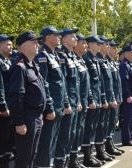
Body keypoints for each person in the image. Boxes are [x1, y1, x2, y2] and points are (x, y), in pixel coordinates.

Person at [8, 30, 45, 168]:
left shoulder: (33, 65)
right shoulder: (20, 67)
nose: (38, 45)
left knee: (31, 155)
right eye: (34, 42)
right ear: (24, 46)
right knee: (24, 158)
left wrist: (40, 115)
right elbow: (16, 96)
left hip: (36, 117)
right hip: (27, 118)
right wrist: (19, 122)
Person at [33, 26, 67, 168]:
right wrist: (50, 107)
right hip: (50, 108)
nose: (60, 37)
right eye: (56, 35)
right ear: (47, 37)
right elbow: (43, 83)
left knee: (53, 141)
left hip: (58, 106)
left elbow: (61, 82)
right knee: (46, 142)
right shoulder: (42, 55)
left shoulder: (54, 55)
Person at [55, 27, 80, 167]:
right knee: (64, 136)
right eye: (72, 37)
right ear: (64, 39)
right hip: (67, 103)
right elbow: (62, 82)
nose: (75, 39)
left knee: (71, 134)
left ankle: (68, 162)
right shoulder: (62, 56)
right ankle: (60, 164)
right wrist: (66, 103)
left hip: (74, 101)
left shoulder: (71, 56)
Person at [81, 35, 105, 167]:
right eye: (97, 43)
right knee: (88, 128)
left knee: (93, 127)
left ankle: (90, 155)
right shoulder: (87, 59)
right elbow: (88, 83)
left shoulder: (94, 59)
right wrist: (91, 99)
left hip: (96, 99)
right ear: (90, 45)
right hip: (91, 100)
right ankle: (87, 157)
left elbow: (99, 83)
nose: (100, 46)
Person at [0, 34, 14, 168]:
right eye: (8, 44)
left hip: (10, 103)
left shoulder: (6, 61)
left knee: (9, 136)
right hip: (4, 104)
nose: (11, 46)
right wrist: (3, 105)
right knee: (1, 137)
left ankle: (5, 160)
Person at [70, 34, 92, 168]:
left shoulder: (81, 60)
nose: (86, 46)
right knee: (72, 133)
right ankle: (71, 161)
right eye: (83, 43)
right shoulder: (69, 59)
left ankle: (75, 159)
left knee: (79, 132)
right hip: (74, 103)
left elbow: (86, 83)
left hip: (82, 102)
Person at [97, 35, 120, 158]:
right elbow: (100, 83)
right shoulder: (99, 61)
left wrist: (117, 97)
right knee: (102, 125)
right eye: (107, 45)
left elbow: (114, 83)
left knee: (110, 123)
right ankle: (101, 150)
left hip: (112, 98)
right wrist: (106, 99)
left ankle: (109, 145)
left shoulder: (107, 61)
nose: (110, 47)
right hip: (104, 100)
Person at [106, 41, 125, 154]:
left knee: (113, 122)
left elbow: (117, 83)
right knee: (107, 124)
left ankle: (110, 144)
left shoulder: (113, 63)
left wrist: (119, 97)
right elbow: (107, 84)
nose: (116, 50)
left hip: (116, 98)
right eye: (113, 48)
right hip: (109, 99)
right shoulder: (106, 62)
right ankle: (106, 147)